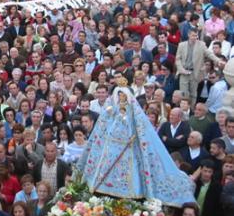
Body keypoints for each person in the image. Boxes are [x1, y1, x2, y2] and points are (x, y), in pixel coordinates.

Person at [77, 77, 195, 207]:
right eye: (118, 96)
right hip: (108, 156)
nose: (121, 99)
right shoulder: (109, 113)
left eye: (123, 96)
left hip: (129, 153)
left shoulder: (134, 115)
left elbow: (143, 135)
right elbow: (100, 134)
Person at [176, 29, 224, 106]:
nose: (195, 37)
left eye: (196, 35)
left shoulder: (201, 45)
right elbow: (178, 59)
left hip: (195, 72)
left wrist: (218, 60)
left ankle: (191, 111)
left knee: (193, 94)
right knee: (184, 94)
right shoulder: (181, 45)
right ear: (189, 35)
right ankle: (184, 111)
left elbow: (209, 54)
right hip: (184, 72)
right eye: (193, 35)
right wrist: (181, 69)